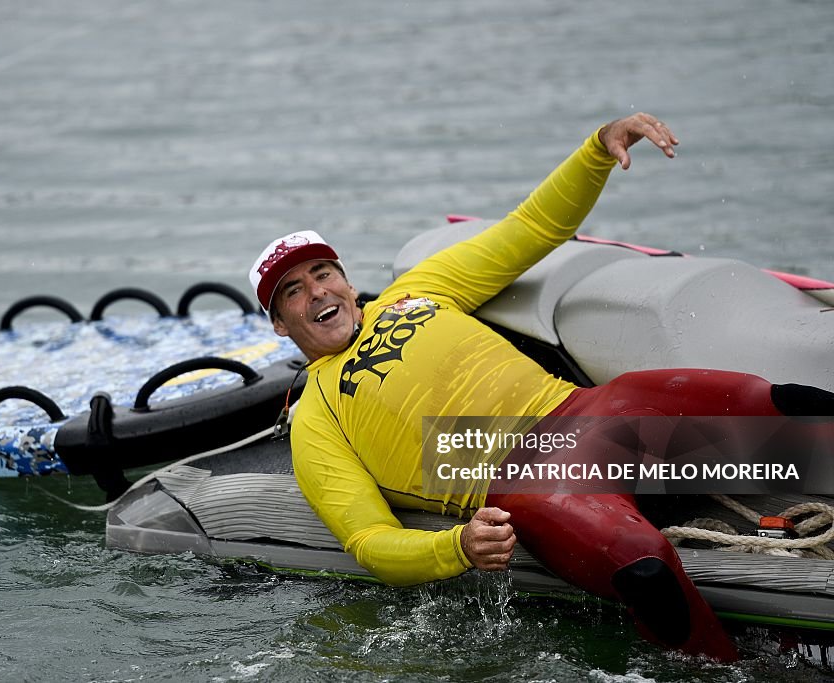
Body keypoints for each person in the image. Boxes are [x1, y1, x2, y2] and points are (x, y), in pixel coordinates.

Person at [247, 113, 833, 662]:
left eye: (323, 274)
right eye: (293, 291)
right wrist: (456, 548)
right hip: (529, 480)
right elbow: (368, 540)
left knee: (780, 403)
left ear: (346, 281)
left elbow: (531, 228)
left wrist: (597, 149)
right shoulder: (317, 416)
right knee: (645, 569)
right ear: (279, 323)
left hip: (596, 409)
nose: (317, 292)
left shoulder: (415, 293)